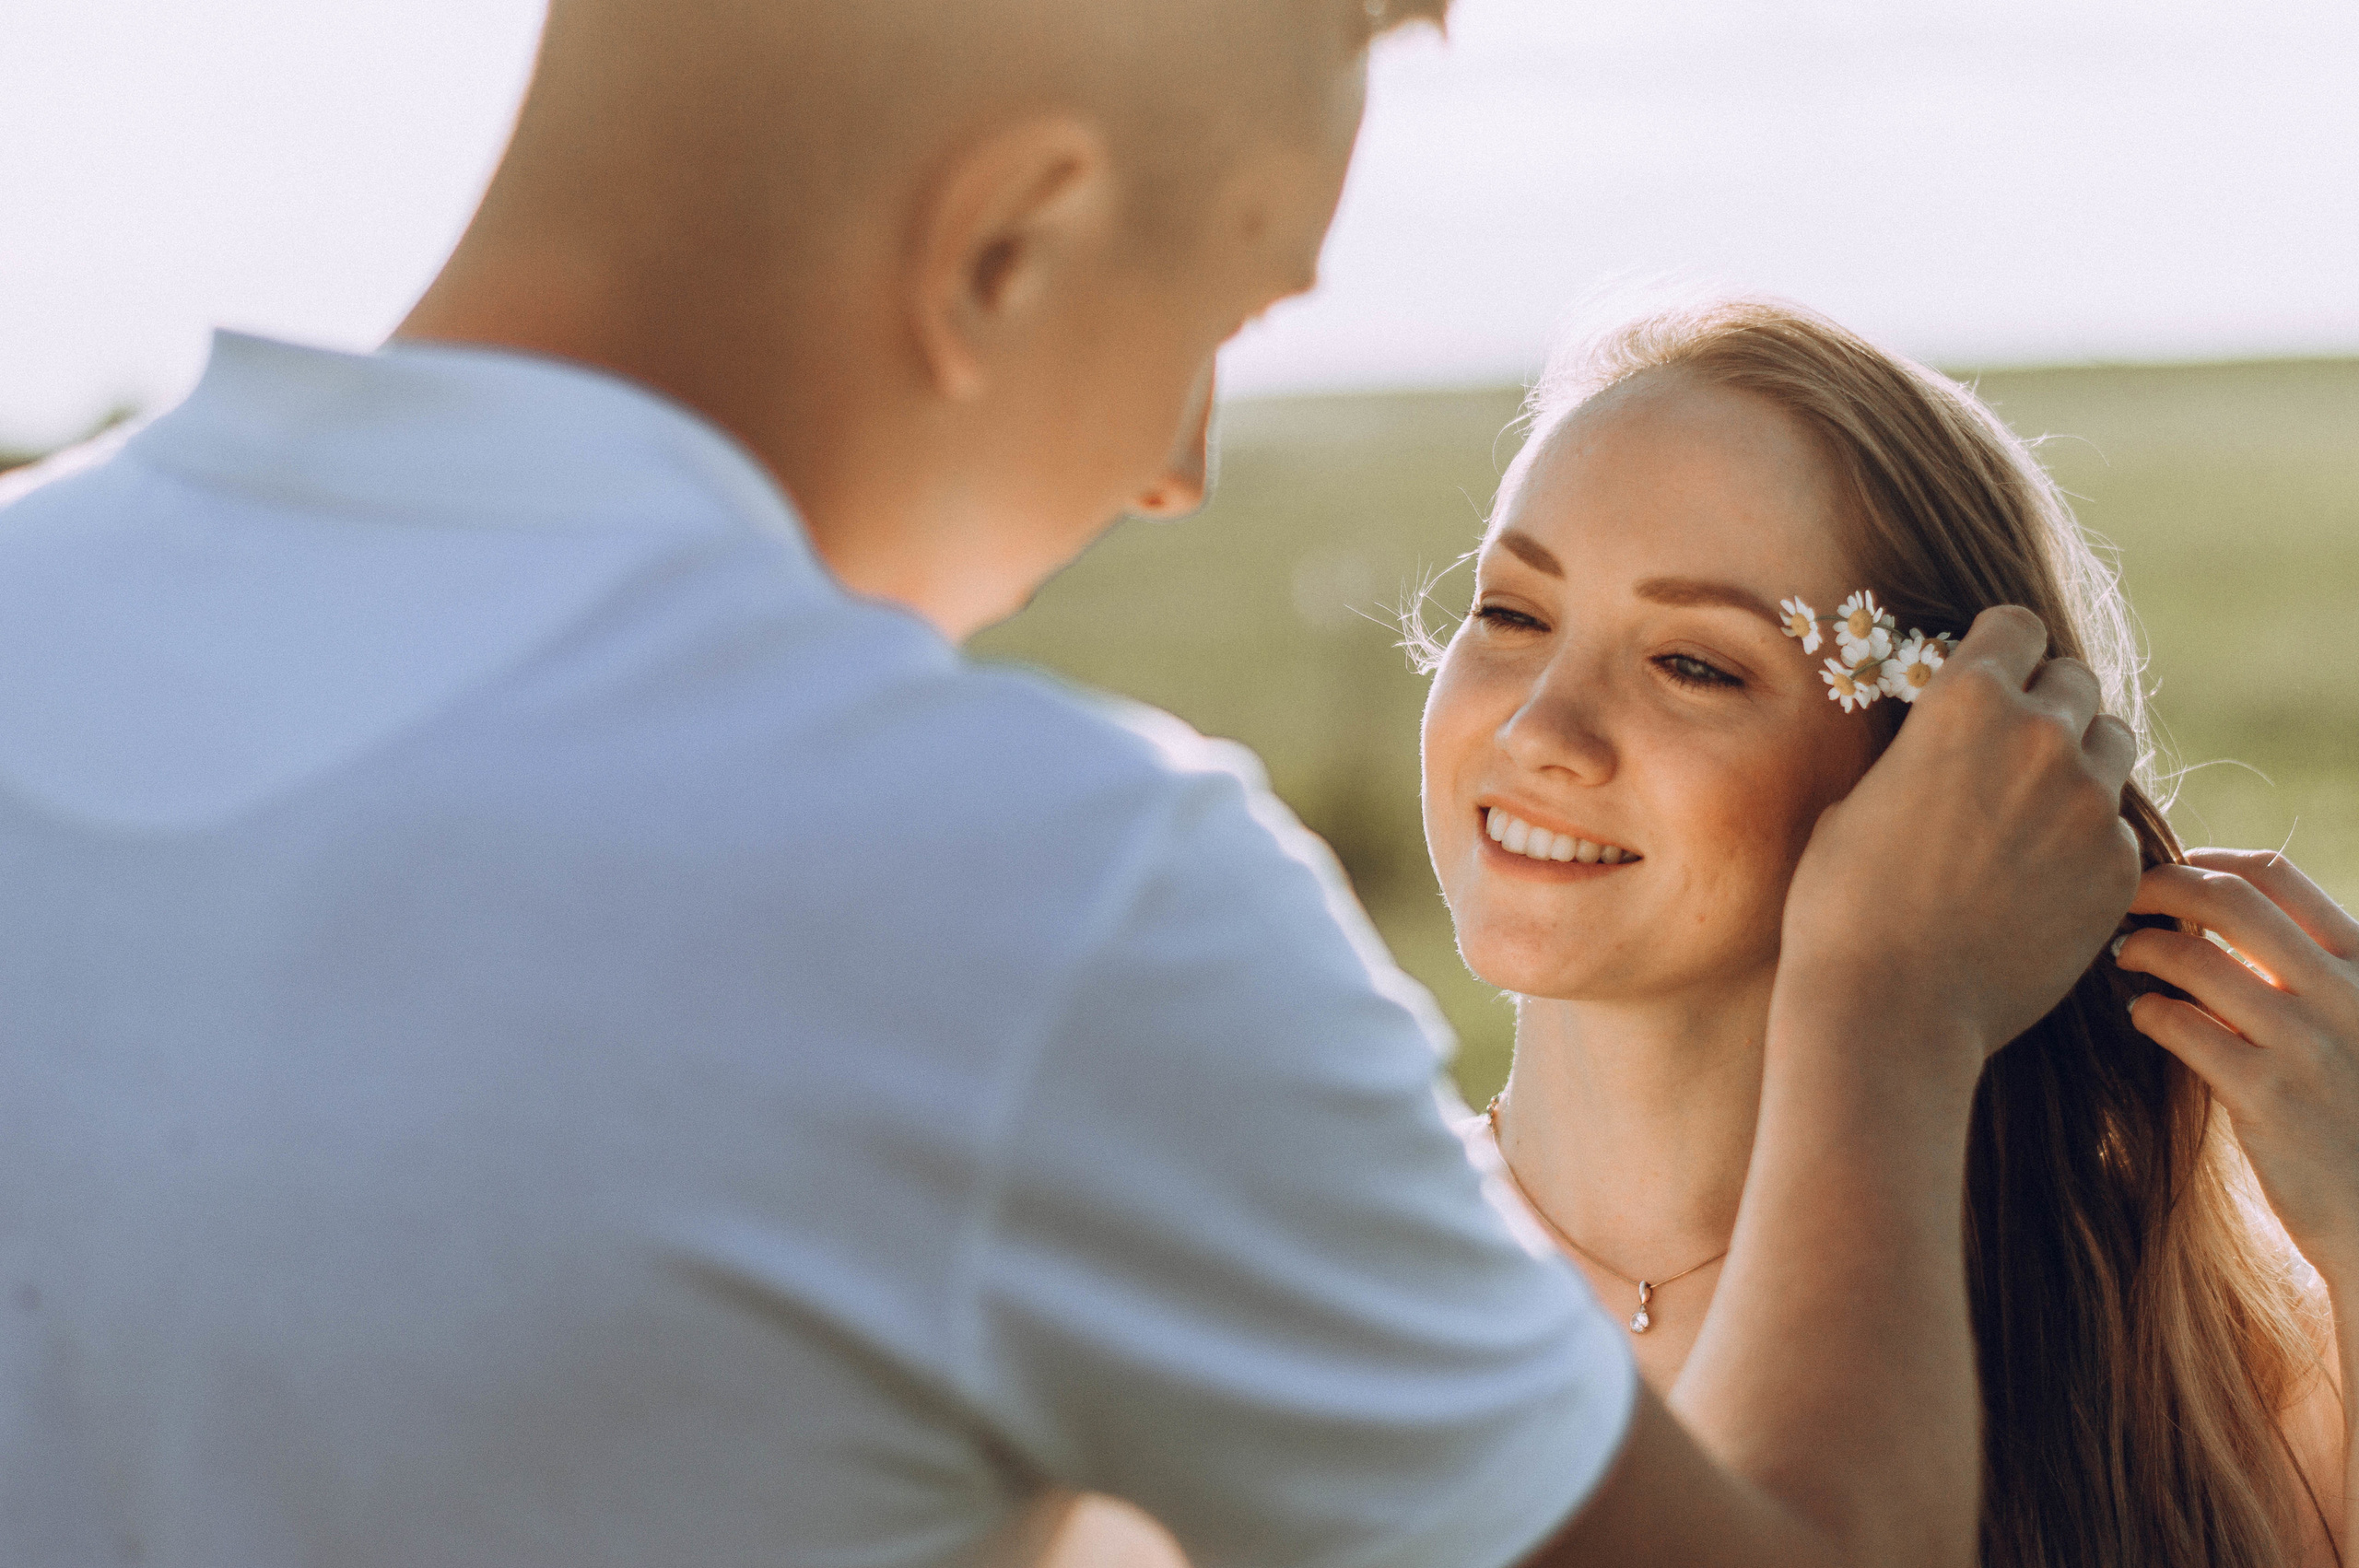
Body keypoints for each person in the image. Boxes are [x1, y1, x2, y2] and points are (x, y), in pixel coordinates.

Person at [0, 5, 2141, 1566]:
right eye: (1216, 310)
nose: (1175, 467)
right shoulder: (1043, 902)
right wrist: (1891, 1003)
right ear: (1003, 245)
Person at [1399, 298, 2353, 1567]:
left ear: (1945, 769)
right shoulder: (1298, 1302)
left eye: (1693, 663)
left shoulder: (2204, 1367)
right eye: (1511, 615)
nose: (1538, 734)